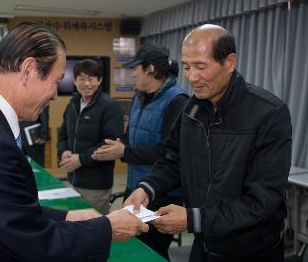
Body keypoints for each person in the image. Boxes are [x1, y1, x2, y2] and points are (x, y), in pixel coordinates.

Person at [0, 22, 148, 262]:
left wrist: (66, 218)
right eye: (55, 82)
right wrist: (106, 228)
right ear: (29, 70)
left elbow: (5, 210)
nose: (55, 95)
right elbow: (34, 244)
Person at [125, 24, 292, 262]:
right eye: (186, 67)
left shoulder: (269, 113)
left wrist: (193, 219)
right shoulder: (191, 108)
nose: (192, 77)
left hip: (250, 250)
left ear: (230, 62)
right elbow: (173, 159)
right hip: (203, 243)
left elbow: (262, 201)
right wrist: (147, 188)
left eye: (201, 66)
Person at [92, 43, 188, 259]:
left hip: (162, 193)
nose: (132, 73)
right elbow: (130, 136)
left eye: (136, 68)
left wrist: (124, 152)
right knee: (130, 248)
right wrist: (118, 146)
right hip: (135, 188)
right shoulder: (139, 96)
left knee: (151, 253)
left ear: (151, 69)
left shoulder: (178, 101)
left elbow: (168, 151)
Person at [57, 59, 124, 215]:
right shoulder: (72, 104)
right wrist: (64, 151)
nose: (86, 84)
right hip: (74, 179)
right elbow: (63, 134)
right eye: (82, 79)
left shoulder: (109, 106)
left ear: (99, 80)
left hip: (96, 185)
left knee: (93, 227)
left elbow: (109, 145)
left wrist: (80, 159)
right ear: (74, 80)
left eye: (91, 79)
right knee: (77, 225)